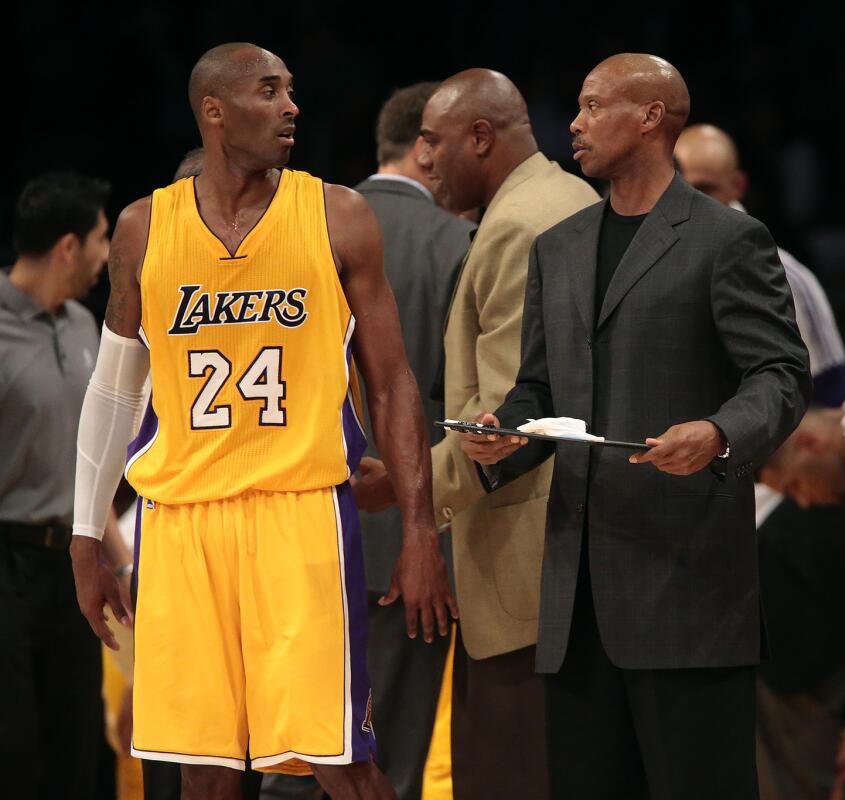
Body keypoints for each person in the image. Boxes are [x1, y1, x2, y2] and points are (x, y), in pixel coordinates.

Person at [70, 42, 455, 800]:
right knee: (201, 769)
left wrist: (419, 528)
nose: (291, 107)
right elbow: (114, 390)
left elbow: (392, 381)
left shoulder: (338, 214)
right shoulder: (145, 227)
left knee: (341, 759)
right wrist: (87, 536)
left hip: (301, 515)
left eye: (291, 91)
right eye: (269, 91)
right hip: (180, 522)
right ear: (214, 111)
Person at [461, 53, 810, 799]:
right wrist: (507, 436)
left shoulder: (726, 240)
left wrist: (718, 433)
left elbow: (780, 375)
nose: (575, 126)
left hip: (687, 593)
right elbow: (538, 387)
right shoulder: (556, 247)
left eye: (592, 107)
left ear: (650, 117)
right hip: (575, 597)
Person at [418, 68, 598, 799]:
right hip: (555, 562)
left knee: (510, 777)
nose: (423, 157)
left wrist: (401, 493)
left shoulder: (524, 224)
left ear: (481, 136)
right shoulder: (553, 201)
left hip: (527, 567)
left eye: (433, 141)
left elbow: (504, 421)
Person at [675, 121, 845, 800]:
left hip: (783, 539)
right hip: (708, 542)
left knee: (785, 747)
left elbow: (833, 432)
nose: (687, 200)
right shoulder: (673, 263)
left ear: (738, 187)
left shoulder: (774, 271)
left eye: (703, 188)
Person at [351, 80, 475, 800]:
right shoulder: (459, 242)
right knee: (389, 762)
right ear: (428, 149)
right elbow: (474, 410)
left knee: (292, 762)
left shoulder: (299, 227)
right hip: (410, 547)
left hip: (295, 532)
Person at [0, 171, 122, 800]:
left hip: (74, 562)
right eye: (103, 239)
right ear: (69, 246)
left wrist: (121, 556)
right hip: (7, 562)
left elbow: (94, 456)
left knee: (77, 746)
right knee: (15, 750)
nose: (109, 256)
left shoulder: (83, 326)